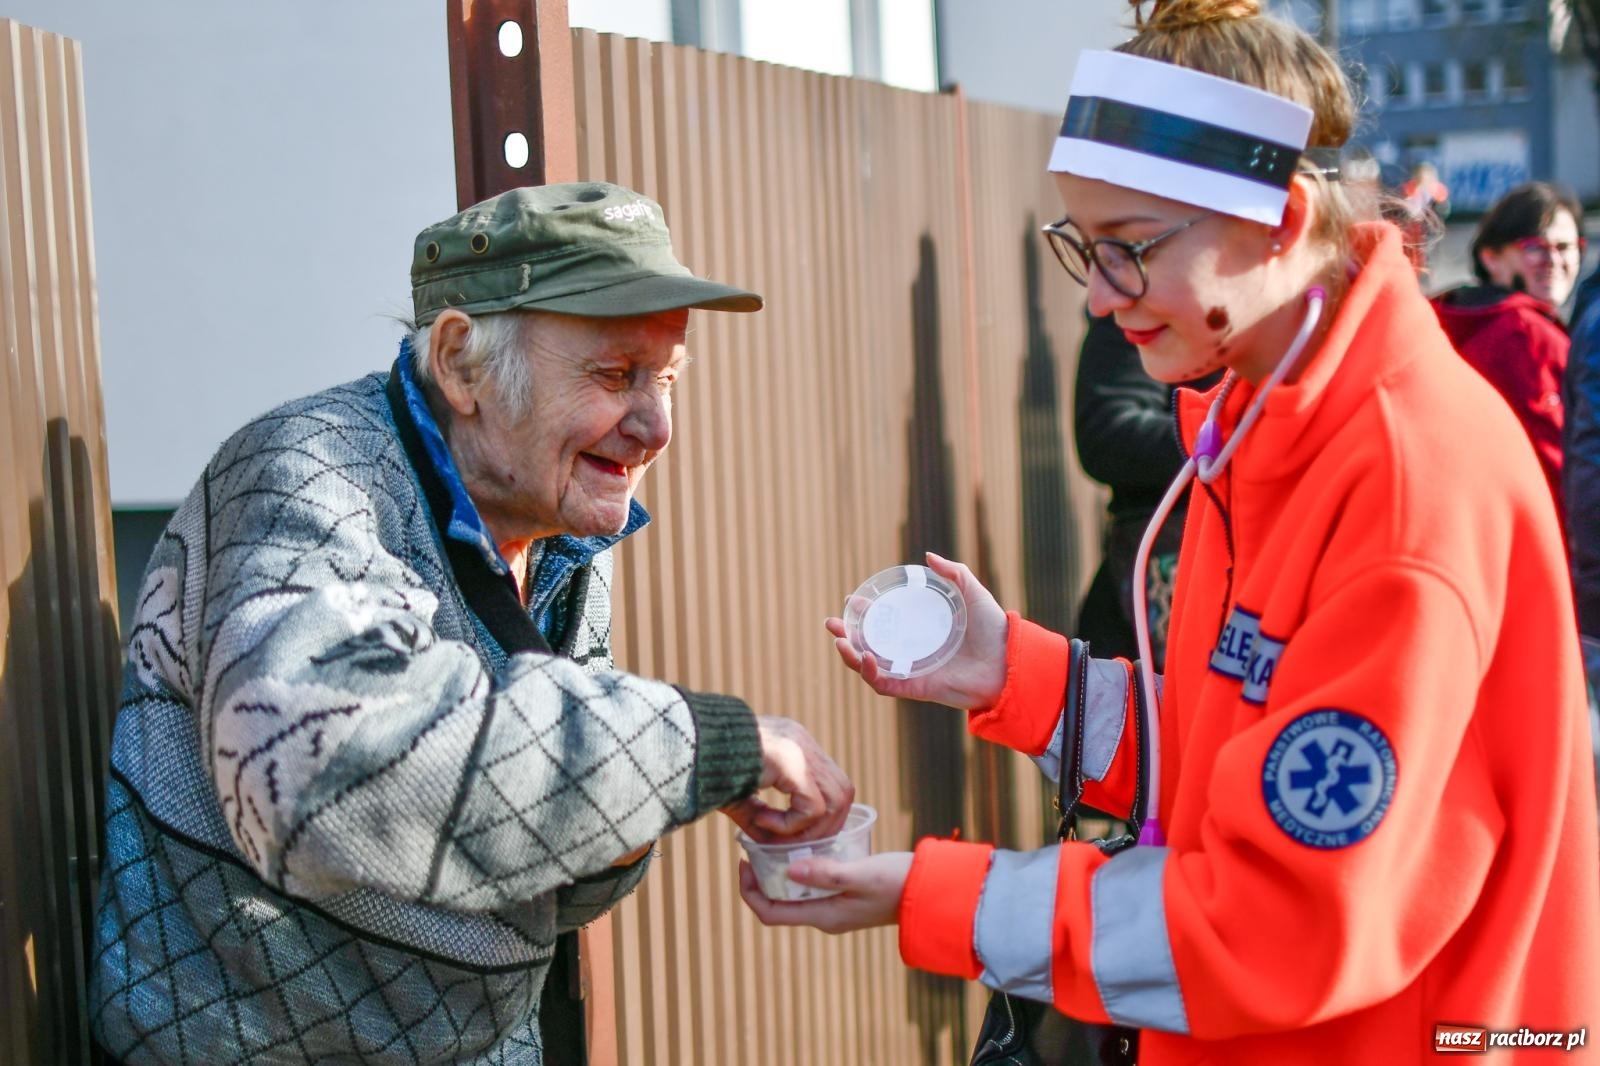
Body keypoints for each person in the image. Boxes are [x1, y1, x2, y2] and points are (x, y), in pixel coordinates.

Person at [740, 2, 1600, 1063]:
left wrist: (937, 896)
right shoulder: (1260, 420)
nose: (1100, 299)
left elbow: (1275, 917)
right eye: (1082, 249)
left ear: (1281, 219)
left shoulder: (1403, 484)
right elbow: (1228, 754)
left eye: (1129, 249)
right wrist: (1016, 673)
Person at [88, 182, 854, 1065]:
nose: (656, 427)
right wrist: (695, 745)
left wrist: (629, 810)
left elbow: (539, 885)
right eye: (617, 376)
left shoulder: (559, 533)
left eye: (668, 379)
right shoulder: (306, 473)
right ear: (460, 364)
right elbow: (322, 771)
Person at [1074, 311, 1218, 665]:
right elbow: (1108, 430)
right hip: (1164, 577)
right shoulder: (1140, 300)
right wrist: (1225, 438)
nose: (1099, 298)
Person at [1433, 182, 1585, 513]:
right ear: (1491, 258)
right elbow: (1560, 467)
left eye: (1565, 247)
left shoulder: (1450, 320)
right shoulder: (1527, 335)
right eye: (1535, 247)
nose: (1553, 260)